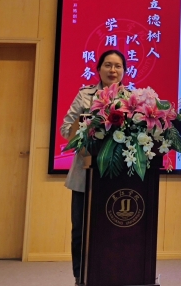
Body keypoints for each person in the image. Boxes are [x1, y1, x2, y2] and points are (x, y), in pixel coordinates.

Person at [59, 50, 126, 286]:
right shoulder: (85, 95)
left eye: (118, 66)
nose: (112, 70)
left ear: (124, 71)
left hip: (119, 178)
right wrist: (86, 125)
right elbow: (65, 130)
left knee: (115, 232)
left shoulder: (132, 99)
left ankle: (116, 274)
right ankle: (80, 277)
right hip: (85, 176)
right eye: (108, 65)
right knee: (80, 231)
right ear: (98, 69)